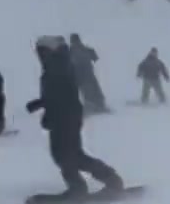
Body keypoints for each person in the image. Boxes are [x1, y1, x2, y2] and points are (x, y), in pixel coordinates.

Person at [27, 36, 123, 194]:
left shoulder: (57, 65)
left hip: (65, 117)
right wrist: (40, 104)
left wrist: (49, 111)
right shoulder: (57, 64)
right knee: (66, 154)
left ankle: (101, 181)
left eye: (42, 51)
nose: (39, 55)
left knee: (68, 154)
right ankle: (95, 181)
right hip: (66, 116)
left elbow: (61, 94)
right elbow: (58, 93)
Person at [68, 34, 108, 115]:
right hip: (86, 75)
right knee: (93, 91)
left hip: (82, 76)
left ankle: (96, 106)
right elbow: (95, 57)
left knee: (91, 92)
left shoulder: (70, 52)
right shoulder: (84, 49)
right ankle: (97, 106)